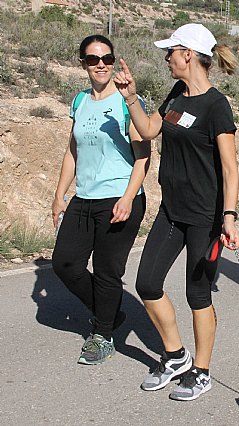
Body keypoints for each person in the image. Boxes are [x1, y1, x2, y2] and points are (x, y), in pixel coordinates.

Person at [113, 23, 239, 401]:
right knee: (147, 284)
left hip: (206, 217)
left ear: (188, 55)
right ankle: (176, 356)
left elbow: (231, 168)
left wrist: (229, 217)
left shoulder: (217, 105)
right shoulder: (176, 94)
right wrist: (131, 98)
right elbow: (150, 130)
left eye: (171, 51)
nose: (166, 57)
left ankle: (201, 371)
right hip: (172, 212)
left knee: (197, 294)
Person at [51, 35, 150, 366]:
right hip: (85, 196)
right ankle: (109, 311)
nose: (101, 64)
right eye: (93, 59)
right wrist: (59, 194)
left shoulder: (125, 103)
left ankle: (102, 334)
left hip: (120, 197)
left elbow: (143, 156)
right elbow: (73, 150)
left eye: (106, 58)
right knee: (65, 263)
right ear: (83, 64)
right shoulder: (80, 101)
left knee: (108, 271)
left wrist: (127, 197)